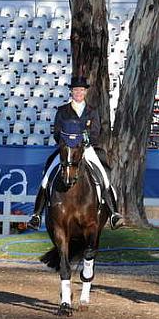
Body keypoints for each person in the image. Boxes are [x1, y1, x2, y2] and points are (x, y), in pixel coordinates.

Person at [27, 76, 123, 230]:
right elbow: (56, 132)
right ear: (71, 91)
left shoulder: (92, 111)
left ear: (85, 92)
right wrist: (66, 142)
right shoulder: (62, 111)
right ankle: (36, 215)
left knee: (104, 178)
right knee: (46, 178)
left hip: (86, 149)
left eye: (81, 90)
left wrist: (85, 141)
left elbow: (96, 132)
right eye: (76, 89)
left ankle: (114, 213)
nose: (78, 92)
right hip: (67, 151)